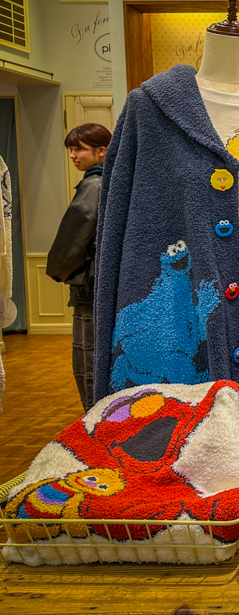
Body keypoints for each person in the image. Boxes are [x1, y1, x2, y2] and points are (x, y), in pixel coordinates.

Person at [47, 123, 111, 411]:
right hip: (110, 284)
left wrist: (58, 270)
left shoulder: (93, 184)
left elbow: (73, 237)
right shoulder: (116, 182)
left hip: (89, 286)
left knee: (88, 360)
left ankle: (93, 423)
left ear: (101, 151)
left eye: (79, 149)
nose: (73, 155)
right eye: (71, 149)